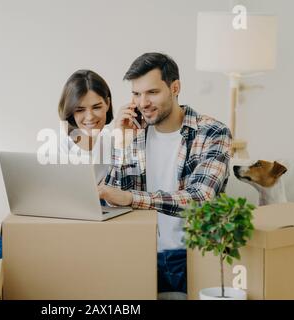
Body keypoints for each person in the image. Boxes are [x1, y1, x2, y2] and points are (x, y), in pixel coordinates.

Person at [98, 53, 233, 296]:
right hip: (140, 253)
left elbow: (201, 198)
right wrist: (120, 143)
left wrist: (132, 198)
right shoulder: (133, 133)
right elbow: (109, 199)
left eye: (152, 92)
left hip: (193, 256)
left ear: (175, 88)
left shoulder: (212, 132)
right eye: (136, 94)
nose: (142, 102)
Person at [0, 69, 114, 259]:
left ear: (108, 103)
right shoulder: (57, 143)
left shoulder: (114, 140)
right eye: (80, 110)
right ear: (70, 111)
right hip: (57, 212)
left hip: (96, 215)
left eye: (96, 107)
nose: (89, 117)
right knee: (13, 231)